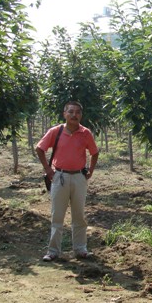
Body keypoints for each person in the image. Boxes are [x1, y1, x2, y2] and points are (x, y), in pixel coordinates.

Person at [36, 101, 99, 261]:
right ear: (64, 114)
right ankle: (53, 251)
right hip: (60, 176)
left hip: (79, 177)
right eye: (70, 112)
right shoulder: (55, 131)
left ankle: (80, 249)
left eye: (77, 112)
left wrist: (90, 170)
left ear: (81, 115)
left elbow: (94, 152)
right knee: (57, 215)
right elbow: (40, 148)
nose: (74, 115)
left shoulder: (85, 133)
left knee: (79, 215)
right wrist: (47, 169)